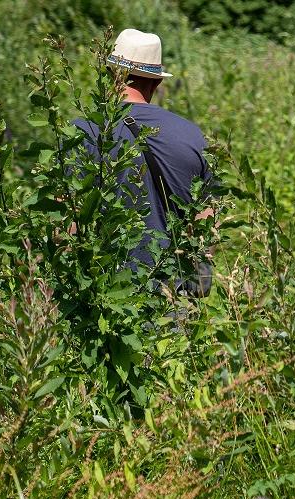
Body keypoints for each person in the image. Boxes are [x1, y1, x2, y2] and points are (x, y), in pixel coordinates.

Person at [75, 28, 214, 297]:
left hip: (100, 299)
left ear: (108, 75)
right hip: (171, 298)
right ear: (156, 83)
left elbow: (65, 224)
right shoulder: (192, 136)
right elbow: (206, 222)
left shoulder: (82, 133)